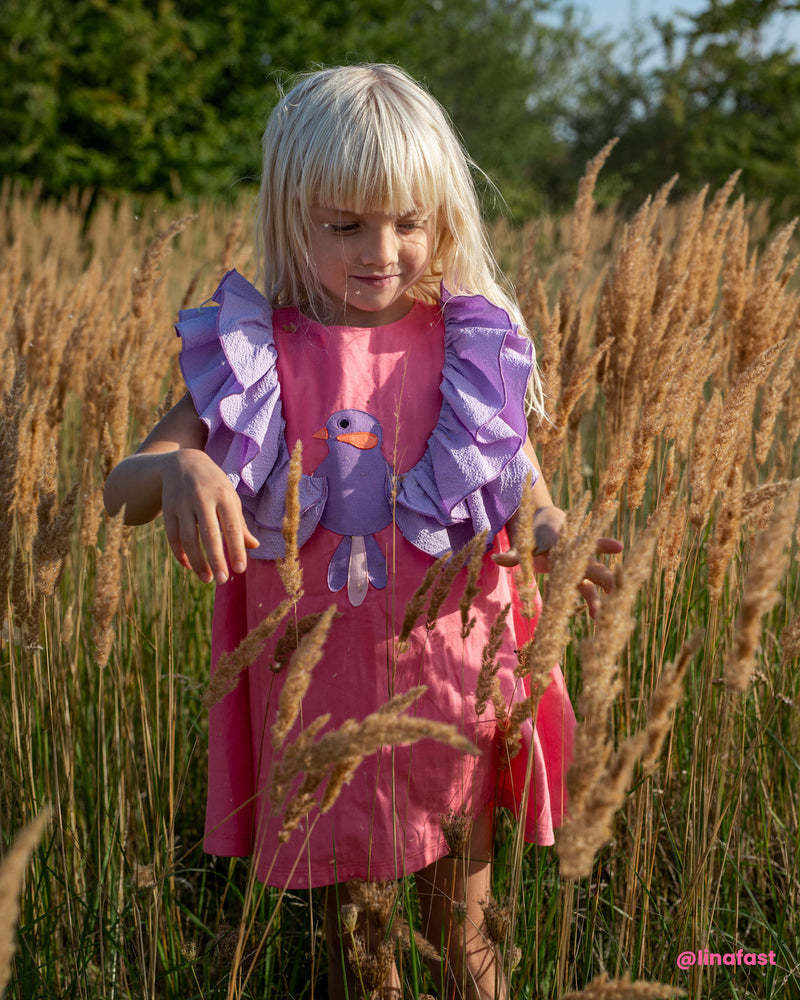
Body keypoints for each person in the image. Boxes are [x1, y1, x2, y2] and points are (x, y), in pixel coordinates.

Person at [105, 63, 619, 1000]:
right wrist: (179, 466)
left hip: (454, 677)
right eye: (346, 225)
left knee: (467, 944)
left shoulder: (472, 344)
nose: (382, 250)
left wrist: (551, 532)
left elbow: (523, 488)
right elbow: (120, 487)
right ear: (291, 214)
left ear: (442, 216)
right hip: (321, 697)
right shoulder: (257, 353)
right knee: (357, 959)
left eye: (408, 222)